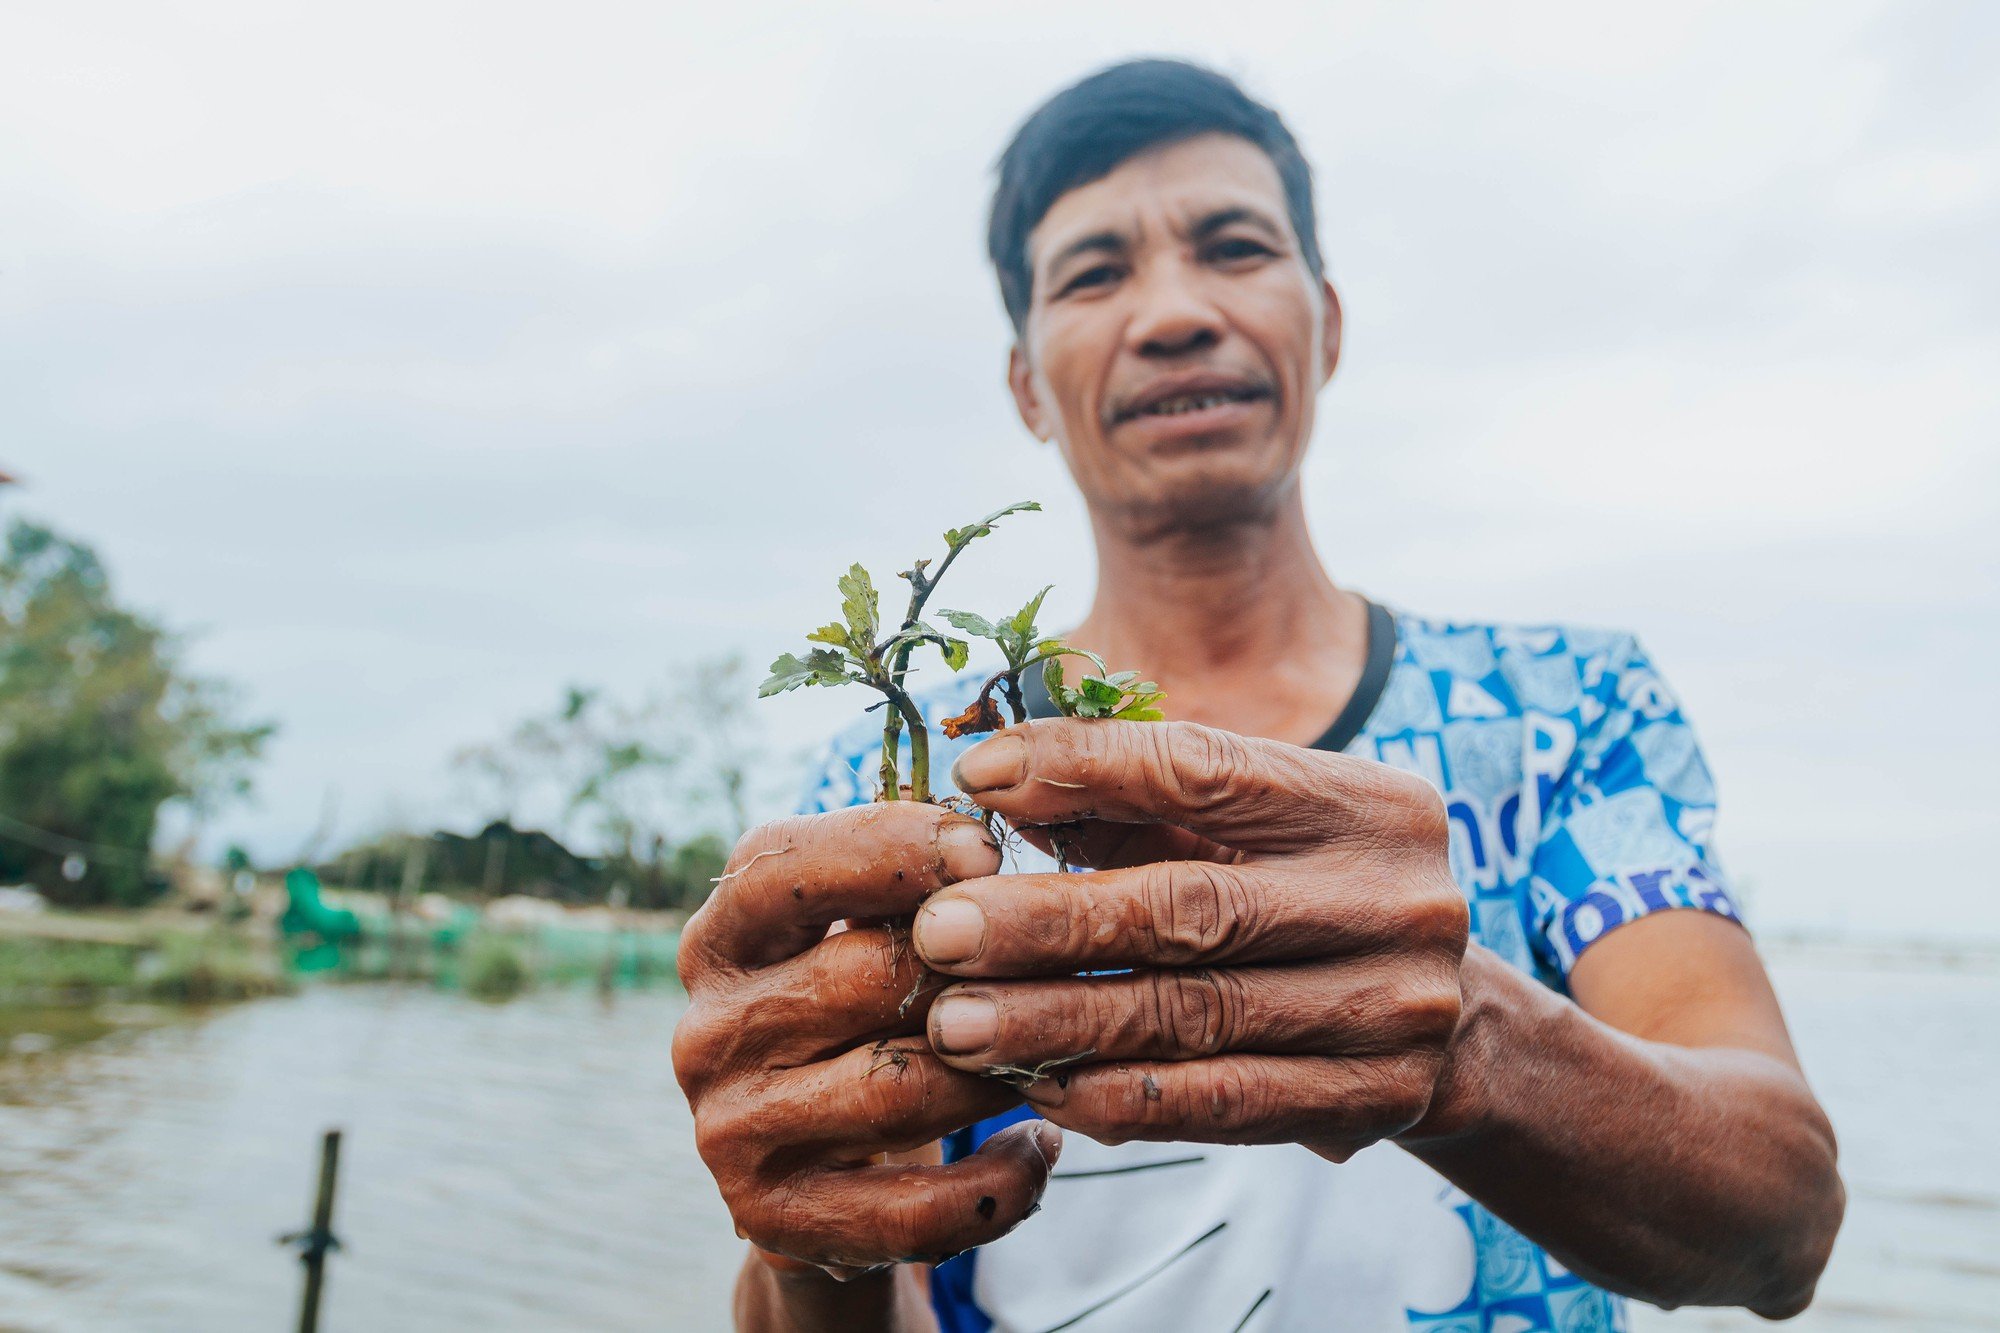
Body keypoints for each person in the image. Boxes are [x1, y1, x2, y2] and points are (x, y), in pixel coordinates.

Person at [672, 59, 1844, 1333]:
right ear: (1024, 385)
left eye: (1232, 247)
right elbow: (852, 1271)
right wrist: (802, 1236)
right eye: (1094, 272)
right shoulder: (888, 791)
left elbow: (1779, 1223)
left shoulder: (1563, 711)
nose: (1173, 312)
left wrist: (1467, 1041)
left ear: (1325, 324)